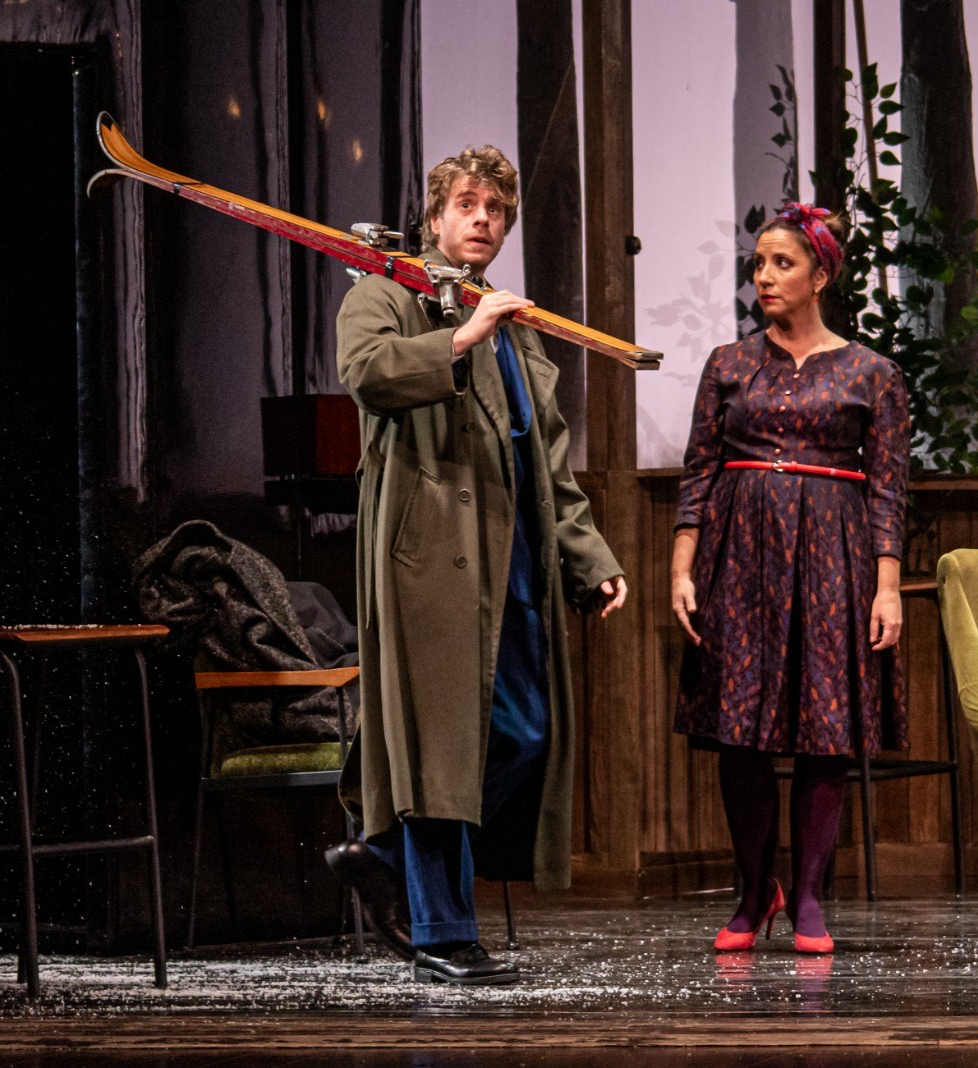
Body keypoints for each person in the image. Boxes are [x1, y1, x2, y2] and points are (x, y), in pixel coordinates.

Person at [326, 145, 627, 985]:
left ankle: (384, 855)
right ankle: (442, 930)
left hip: (513, 557)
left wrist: (588, 557)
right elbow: (366, 373)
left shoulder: (515, 328)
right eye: (466, 205)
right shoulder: (385, 293)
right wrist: (460, 338)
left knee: (524, 735)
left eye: (495, 210)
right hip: (429, 553)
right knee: (441, 747)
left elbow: (548, 458)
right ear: (435, 217)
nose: (482, 220)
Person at [670, 202, 910, 955]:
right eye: (759, 264)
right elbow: (698, 471)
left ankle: (807, 896)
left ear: (821, 275)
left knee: (823, 730)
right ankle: (754, 891)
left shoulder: (874, 373)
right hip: (739, 555)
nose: (765, 277)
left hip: (834, 557)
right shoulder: (729, 364)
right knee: (738, 729)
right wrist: (682, 567)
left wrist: (888, 586)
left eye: (783, 263)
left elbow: (890, 489)